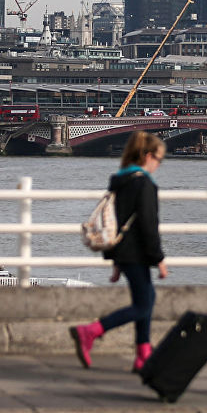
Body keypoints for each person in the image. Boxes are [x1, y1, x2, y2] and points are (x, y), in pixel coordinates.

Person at [69, 131, 169, 373]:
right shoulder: (144, 184)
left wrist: (115, 262)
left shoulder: (120, 181)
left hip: (123, 253)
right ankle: (91, 331)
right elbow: (147, 224)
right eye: (158, 159)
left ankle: (143, 354)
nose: (159, 164)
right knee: (144, 305)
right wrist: (160, 259)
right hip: (137, 253)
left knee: (145, 300)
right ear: (147, 156)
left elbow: (116, 223)